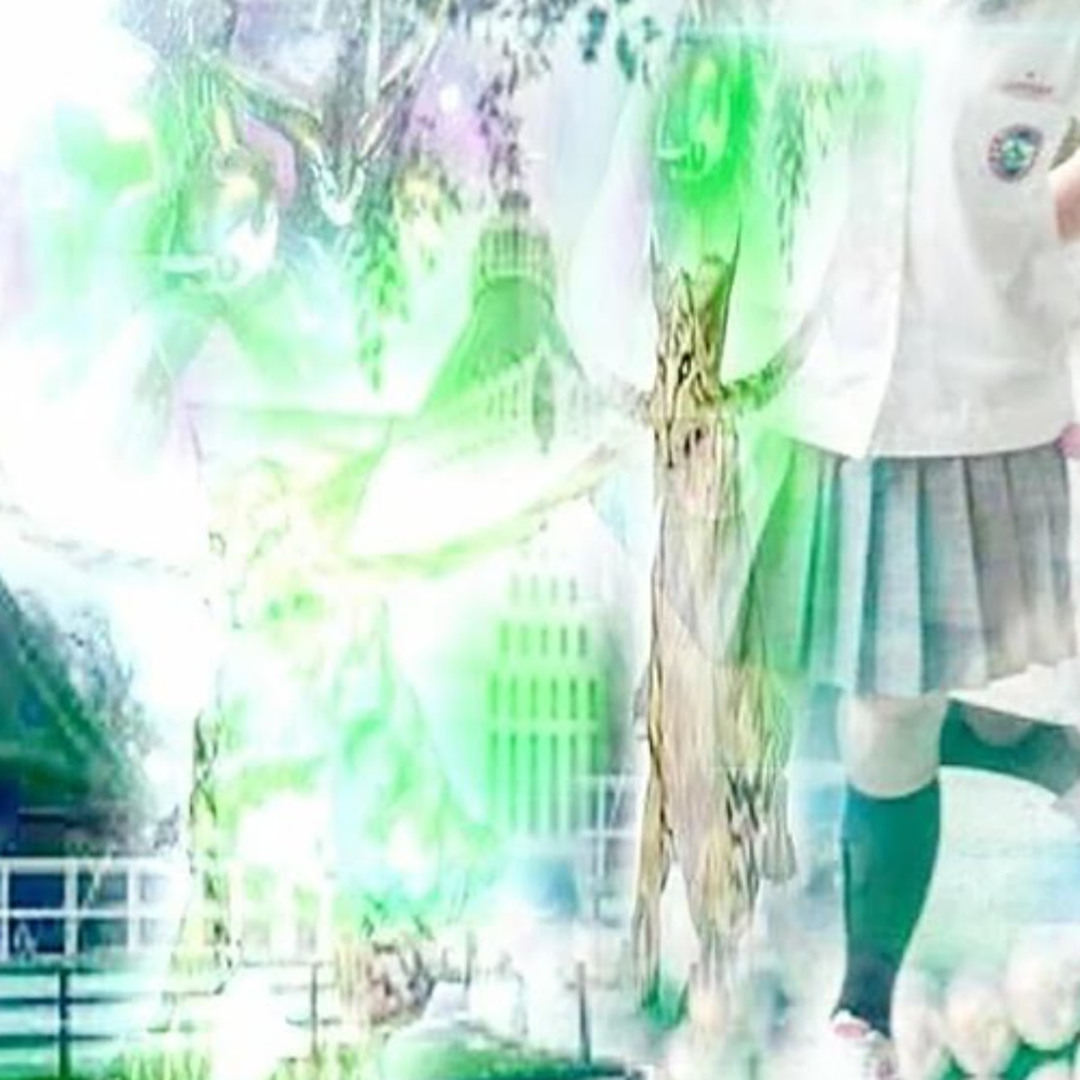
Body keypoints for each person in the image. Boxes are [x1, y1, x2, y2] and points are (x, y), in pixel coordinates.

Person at [740, 0, 1080, 1075]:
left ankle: (870, 991)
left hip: (983, 397)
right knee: (858, 696)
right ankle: (878, 965)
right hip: (814, 389)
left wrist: (1034, 242)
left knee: (926, 696)